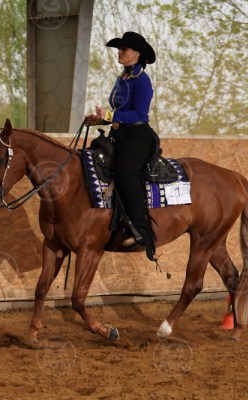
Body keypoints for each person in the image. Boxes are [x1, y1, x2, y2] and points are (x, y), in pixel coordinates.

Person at [86, 31, 159, 260]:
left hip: (138, 136)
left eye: (123, 49)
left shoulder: (143, 80)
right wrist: (100, 121)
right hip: (120, 134)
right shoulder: (123, 77)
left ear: (136, 54)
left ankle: (139, 231)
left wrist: (109, 115)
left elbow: (140, 114)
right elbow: (120, 113)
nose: (119, 52)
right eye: (119, 49)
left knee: (125, 171)